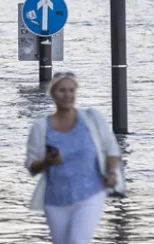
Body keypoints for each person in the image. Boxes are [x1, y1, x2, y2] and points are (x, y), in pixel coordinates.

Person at [24, 71, 122, 244]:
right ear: (53, 93)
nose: (67, 95)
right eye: (62, 90)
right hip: (56, 199)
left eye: (71, 90)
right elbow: (32, 166)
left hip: (90, 193)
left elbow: (111, 148)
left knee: (78, 240)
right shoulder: (41, 128)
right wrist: (47, 162)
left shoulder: (92, 118)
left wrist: (112, 173)